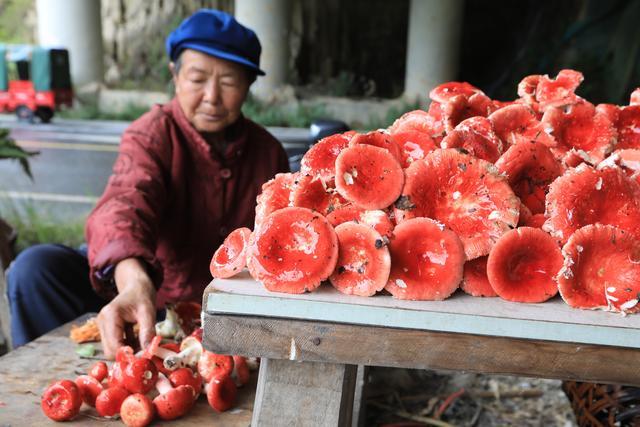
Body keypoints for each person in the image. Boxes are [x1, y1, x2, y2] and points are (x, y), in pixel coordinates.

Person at [6, 9, 289, 358]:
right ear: (175, 75)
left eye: (229, 82)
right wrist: (136, 283)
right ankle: (66, 376)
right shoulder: (152, 134)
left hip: (228, 315)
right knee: (37, 268)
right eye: (198, 78)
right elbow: (124, 204)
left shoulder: (268, 153)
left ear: (248, 85)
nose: (212, 96)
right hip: (147, 301)